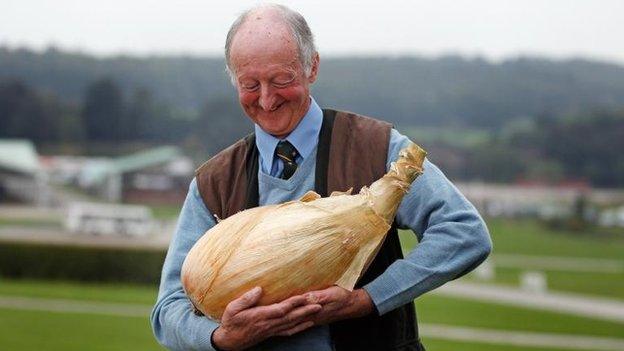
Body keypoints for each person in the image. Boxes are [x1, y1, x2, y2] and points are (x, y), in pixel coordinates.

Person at [151, 4, 492, 351]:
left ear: (312, 66)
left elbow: (465, 233)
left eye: (281, 80)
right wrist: (220, 338)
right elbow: (168, 311)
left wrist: (366, 300)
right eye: (250, 84)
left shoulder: (377, 149)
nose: (267, 100)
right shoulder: (213, 182)